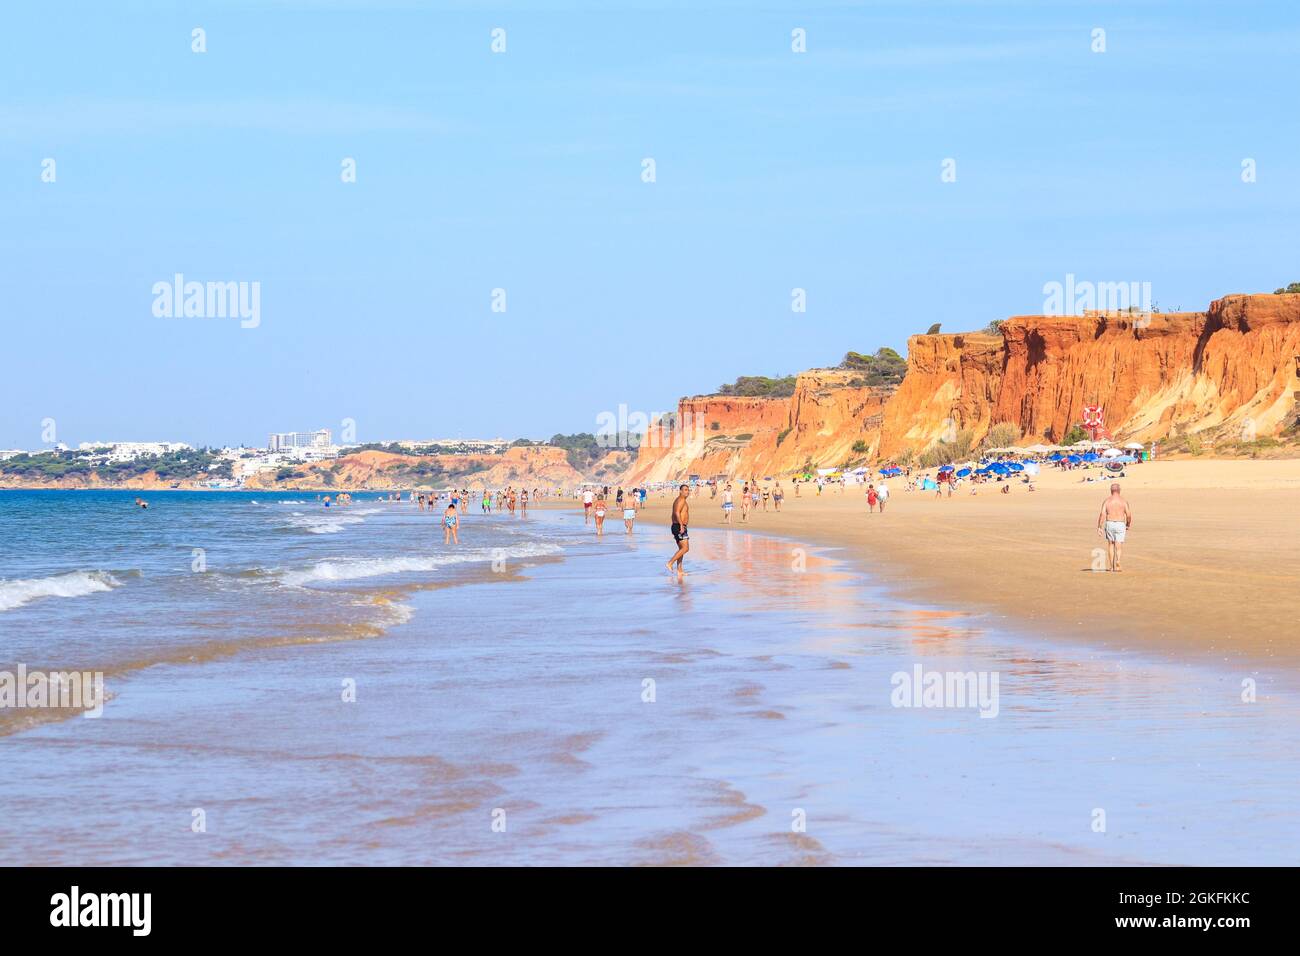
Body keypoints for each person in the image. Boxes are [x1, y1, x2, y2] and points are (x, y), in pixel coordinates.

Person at [1097, 483, 1132, 572]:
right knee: (1119, 545)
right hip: (1120, 523)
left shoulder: (1107, 501)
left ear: (1111, 491)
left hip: (1110, 523)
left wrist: (1099, 527)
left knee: (1111, 544)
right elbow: (1128, 515)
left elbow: (1102, 514)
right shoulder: (1123, 501)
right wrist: (1128, 524)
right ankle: (1118, 562)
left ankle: (1112, 566)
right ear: (1119, 490)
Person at [667, 484, 690, 576]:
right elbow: (676, 512)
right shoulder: (681, 500)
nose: (687, 491)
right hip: (679, 526)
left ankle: (680, 570)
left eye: (688, 490)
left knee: (681, 549)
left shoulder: (680, 500)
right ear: (680, 491)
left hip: (678, 526)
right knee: (685, 548)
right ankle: (670, 563)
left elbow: (673, 514)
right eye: (685, 490)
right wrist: (681, 525)